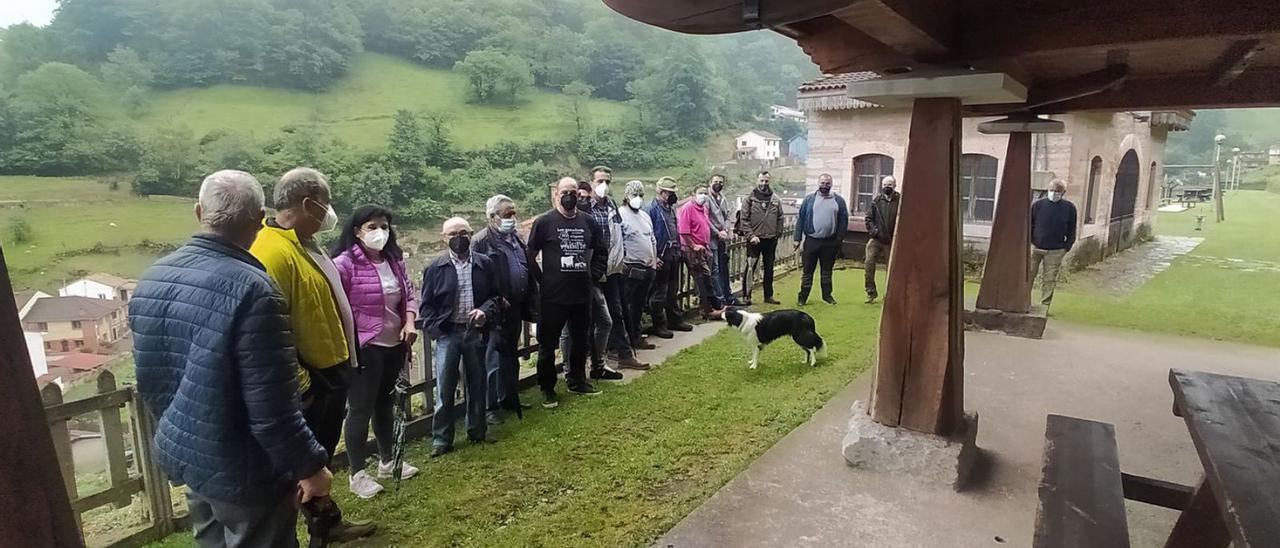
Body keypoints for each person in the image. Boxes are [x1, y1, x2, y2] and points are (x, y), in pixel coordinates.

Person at [131, 170, 332, 548]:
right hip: (246, 468)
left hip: (193, 456)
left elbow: (152, 379)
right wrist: (310, 467)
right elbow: (272, 407)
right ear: (259, 220)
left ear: (198, 212)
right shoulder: (255, 291)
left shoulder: (152, 279)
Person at [250, 167, 374, 542]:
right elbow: (272, 327)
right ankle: (307, 530)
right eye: (325, 201)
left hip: (332, 371)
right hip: (312, 379)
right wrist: (305, 384)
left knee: (316, 459)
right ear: (308, 203)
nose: (329, 210)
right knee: (302, 466)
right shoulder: (271, 251)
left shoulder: (303, 242)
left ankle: (326, 522)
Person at [330, 205, 419, 499]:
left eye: (384, 226)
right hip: (365, 348)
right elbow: (336, 307)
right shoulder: (344, 265)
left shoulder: (394, 261)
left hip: (394, 344)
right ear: (357, 231)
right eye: (372, 227)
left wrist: (408, 321)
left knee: (385, 404)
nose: (380, 232)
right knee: (359, 409)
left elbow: (409, 295)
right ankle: (357, 474)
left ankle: (388, 460)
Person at [420, 217, 503, 457]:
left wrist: (484, 313)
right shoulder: (435, 267)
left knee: (477, 384)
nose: (459, 238)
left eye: (464, 233)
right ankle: (441, 439)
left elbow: (496, 296)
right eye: (453, 234)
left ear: (471, 234)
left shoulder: (484, 263)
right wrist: (437, 331)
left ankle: (477, 430)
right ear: (443, 237)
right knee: (444, 388)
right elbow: (427, 307)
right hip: (448, 334)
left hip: (475, 333)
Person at [528, 177, 608, 408]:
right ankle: (547, 388)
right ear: (556, 194)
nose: (570, 196)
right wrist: (543, 280)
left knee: (580, 339)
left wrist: (592, 275)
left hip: (582, 294)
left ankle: (577, 380)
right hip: (553, 296)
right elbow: (530, 254)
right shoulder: (544, 222)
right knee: (547, 343)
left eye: (574, 191)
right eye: (565, 191)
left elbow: (600, 250)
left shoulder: (589, 222)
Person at [473, 194, 536, 425]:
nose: (513, 218)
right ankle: (491, 406)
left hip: (516, 307)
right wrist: (494, 300)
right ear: (492, 217)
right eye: (507, 214)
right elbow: (477, 278)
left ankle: (510, 397)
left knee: (511, 354)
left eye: (513, 213)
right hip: (495, 308)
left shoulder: (516, 238)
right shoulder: (481, 241)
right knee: (493, 359)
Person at [647, 177, 693, 337]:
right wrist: (654, 256)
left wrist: (679, 249)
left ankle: (675, 320)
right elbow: (649, 234)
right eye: (670, 193)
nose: (673, 196)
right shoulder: (652, 209)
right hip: (661, 255)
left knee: (673, 290)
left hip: (673, 254)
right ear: (661, 192)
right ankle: (659, 324)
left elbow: (675, 228)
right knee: (660, 292)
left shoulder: (670, 209)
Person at [617, 180, 659, 354]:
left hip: (648, 268)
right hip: (630, 269)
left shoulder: (644, 216)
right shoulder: (620, 215)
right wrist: (622, 262)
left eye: (641, 195)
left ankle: (636, 335)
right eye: (635, 195)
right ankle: (625, 341)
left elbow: (652, 239)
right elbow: (617, 241)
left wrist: (654, 261)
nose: (638, 199)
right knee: (626, 305)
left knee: (639, 305)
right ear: (627, 196)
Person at [794, 173, 849, 306]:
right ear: (818, 184)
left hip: (830, 242)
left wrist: (839, 239)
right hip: (812, 241)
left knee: (827, 272)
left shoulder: (839, 201)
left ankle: (827, 296)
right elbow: (800, 219)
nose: (825, 186)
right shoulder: (809, 200)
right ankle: (803, 297)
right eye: (823, 183)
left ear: (831, 184)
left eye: (827, 183)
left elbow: (843, 220)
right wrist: (797, 239)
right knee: (807, 272)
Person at [678, 184, 724, 319]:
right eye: (700, 193)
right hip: (692, 250)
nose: (703, 196)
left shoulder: (702, 208)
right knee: (702, 279)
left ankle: (714, 306)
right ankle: (707, 310)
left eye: (705, 193)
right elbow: (684, 231)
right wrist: (693, 246)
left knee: (706, 279)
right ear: (693, 194)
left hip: (704, 248)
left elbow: (704, 226)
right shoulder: (688, 209)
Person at [740, 170, 785, 305]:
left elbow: (780, 218)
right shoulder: (749, 199)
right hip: (754, 240)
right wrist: (751, 235)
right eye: (761, 181)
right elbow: (744, 219)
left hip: (770, 240)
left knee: (769, 269)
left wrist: (777, 233)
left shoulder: (775, 199)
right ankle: (746, 296)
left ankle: (768, 296)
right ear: (757, 181)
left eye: (766, 181)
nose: (764, 183)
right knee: (750, 268)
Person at [1030, 179, 1078, 306]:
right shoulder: (1038, 205)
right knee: (1028, 275)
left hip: (1055, 250)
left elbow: (1072, 230)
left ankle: (1045, 305)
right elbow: (1030, 224)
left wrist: (1066, 247)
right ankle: (1024, 301)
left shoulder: (1069, 208)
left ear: (1063, 193)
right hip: (1035, 247)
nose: (1054, 193)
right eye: (1051, 190)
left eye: (1057, 191)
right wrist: (1030, 243)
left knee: (1049, 279)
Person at [864, 175, 899, 304]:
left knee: (892, 268)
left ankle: (890, 294)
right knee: (869, 263)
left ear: (894, 186)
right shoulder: (876, 201)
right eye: (884, 185)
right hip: (877, 239)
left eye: (889, 185)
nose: (886, 187)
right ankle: (870, 292)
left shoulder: (901, 201)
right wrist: (875, 232)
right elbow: (868, 219)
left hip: (893, 241)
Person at [706, 173, 738, 306]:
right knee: (715, 269)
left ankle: (727, 296)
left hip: (722, 238)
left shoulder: (723, 199)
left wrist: (725, 230)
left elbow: (728, 216)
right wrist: (717, 232)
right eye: (715, 181)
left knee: (724, 268)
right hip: (711, 238)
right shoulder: (706, 199)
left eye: (720, 182)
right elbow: (705, 219)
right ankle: (719, 299)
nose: (718, 184)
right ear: (710, 182)